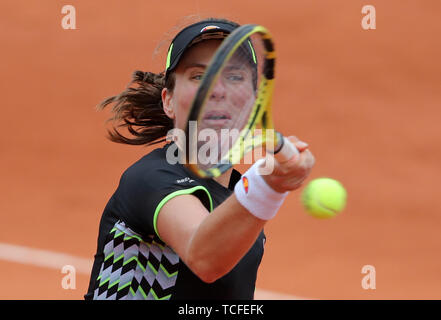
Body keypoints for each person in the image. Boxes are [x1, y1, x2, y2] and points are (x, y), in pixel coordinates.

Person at [84, 17, 315, 300]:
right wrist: (268, 185)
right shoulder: (149, 179)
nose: (217, 90)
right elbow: (204, 257)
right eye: (198, 76)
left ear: (253, 100)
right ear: (168, 100)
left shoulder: (240, 201)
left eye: (234, 77)